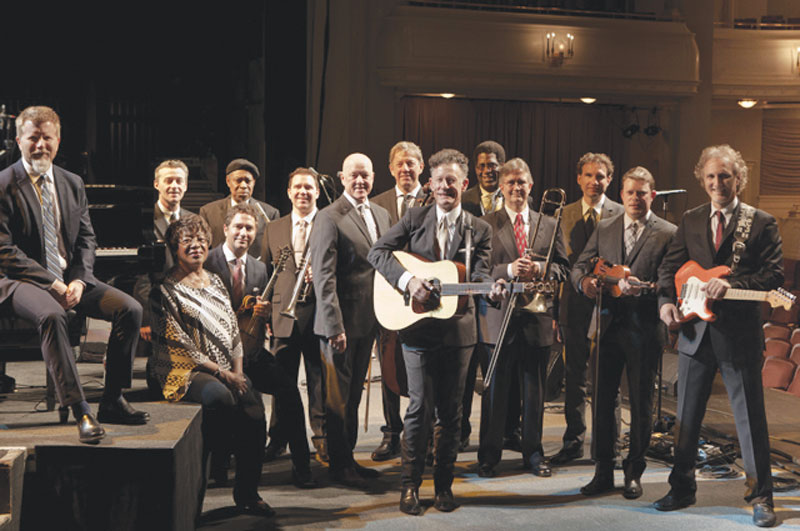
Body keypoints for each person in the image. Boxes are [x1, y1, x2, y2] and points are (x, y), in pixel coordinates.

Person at [0, 105, 148, 444]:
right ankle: (81, 409)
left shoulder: (72, 182)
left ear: (58, 140)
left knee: (131, 309)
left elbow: (86, 238)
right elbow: (4, 250)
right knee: (53, 316)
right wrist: (52, 282)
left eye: (46, 138)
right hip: (19, 280)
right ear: (19, 140)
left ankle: (112, 399)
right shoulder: (3, 184)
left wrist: (80, 280)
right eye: (33, 138)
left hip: (70, 279)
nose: (40, 145)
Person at [368, 148, 504, 516]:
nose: (446, 187)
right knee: (418, 409)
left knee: (451, 414)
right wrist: (408, 280)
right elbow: (377, 253)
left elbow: (479, 277)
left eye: (453, 180)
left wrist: (490, 288)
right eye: (440, 180)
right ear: (430, 183)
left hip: (459, 335)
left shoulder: (480, 228)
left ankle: (443, 487)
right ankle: (409, 486)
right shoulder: (414, 218)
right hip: (417, 332)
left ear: (465, 183)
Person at [655, 145, 782, 528]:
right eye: (710, 177)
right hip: (694, 332)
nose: (717, 183)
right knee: (687, 419)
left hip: (738, 335)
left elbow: (773, 275)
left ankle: (761, 497)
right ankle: (681, 488)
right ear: (702, 180)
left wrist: (733, 284)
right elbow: (669, 268)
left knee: (749, 421)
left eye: (724, 176)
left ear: (738, 178)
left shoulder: (761, 223)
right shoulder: (691, 220)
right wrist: (664, 303)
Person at [149, 215, 274, 517]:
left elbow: (232, 329)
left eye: (202, 241)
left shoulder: (216, 281)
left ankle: (247, 493)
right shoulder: (164, 289)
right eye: (187, 242)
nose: (196, 246)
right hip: (183, 370)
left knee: (255, 408)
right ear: (174, 247)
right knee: (220, 398)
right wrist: (223, 373)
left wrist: (239, 370)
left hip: (225, 368)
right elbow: (178, 343)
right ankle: (213, 469)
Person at [570, 166, 675, 499]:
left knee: (642, 403)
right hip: (608, 326)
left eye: (642, 193)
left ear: (652, 196)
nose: (635, 198)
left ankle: (634, 471)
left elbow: (669, 282)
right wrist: (584, 283)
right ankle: (603, 470)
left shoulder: (668, 232)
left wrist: (644, 291)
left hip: (645, 328)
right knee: (602, 399)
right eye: (630, 192)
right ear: (622, 194)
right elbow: (579, 267)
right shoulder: (605, 227)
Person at [204, 202, 316, 489]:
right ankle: (218, 468)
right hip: (215, 358)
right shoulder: (206, 262)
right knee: (248, 408)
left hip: (250, 352)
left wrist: (264, 313)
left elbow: (258, 316)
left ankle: (302, 466)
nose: (243, 233)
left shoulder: (258, 268)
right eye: (238, 227)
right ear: (226, 229)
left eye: (249, 228)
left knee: (290, 392)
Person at [477, 158, 569, 479]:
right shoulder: (485, 223)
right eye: (510, 182)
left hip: (536, 319)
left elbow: (563, 267)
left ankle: (534, 454)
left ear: (531, 186)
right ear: (501, 188)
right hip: (498, 320)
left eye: (522, 182)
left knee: (534, 394)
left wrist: (541, 269)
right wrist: (508, 270)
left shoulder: (550, 222)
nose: (517, 188)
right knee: (495, 393)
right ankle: (488, 456)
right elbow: (479, 271)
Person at [309, 153, 391, 488]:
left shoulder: (382, 214)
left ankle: (350, 461)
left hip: (371, 322)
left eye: (366, 176)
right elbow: (323, 277)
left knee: (354, 396)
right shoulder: (329, 217)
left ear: (373, 177)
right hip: (339, 327)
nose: (360, 182)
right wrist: (334, 326)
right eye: (354, 176)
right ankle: (339, 465)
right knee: (337, 399)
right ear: (342, 177)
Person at [550, 152, 624, 465]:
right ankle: (573, 442)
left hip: (611, 306)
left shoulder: (622, 213)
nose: (595, 181)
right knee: (574, 378)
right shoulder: (561, 214)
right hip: (572, 306)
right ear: (579, 179)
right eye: (589, 175)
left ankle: (610, 445)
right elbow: (556, 264)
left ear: (610, 179)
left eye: (601, 176)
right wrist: (555, 312)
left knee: (608, 378)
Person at [261, 168, 327, 465]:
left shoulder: (329, 222)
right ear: (289, 192)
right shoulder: (273, 228)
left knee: (319, 381)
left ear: (317, 191)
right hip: (283, 314)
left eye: (309, 187)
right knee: (281, 382)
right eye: (297, 187)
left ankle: (321, 438)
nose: (303, 192)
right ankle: (278, 439)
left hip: (319, 313)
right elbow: (266, 272)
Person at [460, 140, 521, 452]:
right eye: (481, 166)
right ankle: (461, 431)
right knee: (468, 369)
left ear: (502, 166)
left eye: (492, 165)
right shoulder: (464, 199)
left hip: (506, 296)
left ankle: (510, 430)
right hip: (470, 293)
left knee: (504, 371)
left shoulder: (516, 196)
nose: (487, 171)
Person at [369, 141, 428, 461]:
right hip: (388, 297)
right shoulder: (376, 204)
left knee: (425, 370)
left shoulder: (435, 201)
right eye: (400, 164)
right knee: (389, 367)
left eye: (412, 163)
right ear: (391, 169)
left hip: (425, 299)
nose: (406, 169)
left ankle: (422, 435)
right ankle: (392, 433)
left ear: (421, 167)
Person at [134, 160, 192, 355]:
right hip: (154, 306)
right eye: (168, 181)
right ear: (157, 184)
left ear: (185, 185)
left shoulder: (194, 220)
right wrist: (147, 319)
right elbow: (140, 276)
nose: (174, 186)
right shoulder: (143, 220)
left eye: (179, 181)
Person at [199, 158, 279, 261]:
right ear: (228, 181)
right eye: (238, 180)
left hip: (255, 274)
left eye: (248, 181)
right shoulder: (208, 212)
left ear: (254, 182)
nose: (243, 185)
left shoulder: (270, 214)